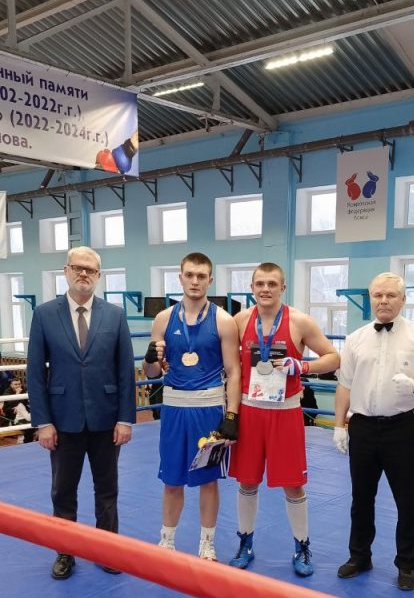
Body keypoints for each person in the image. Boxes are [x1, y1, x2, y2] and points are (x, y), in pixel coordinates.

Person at [27, 246, 136, 580]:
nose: (84, 273)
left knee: (107, 490)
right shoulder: (45, 314)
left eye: (90, 269)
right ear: (66, 270)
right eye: (78, 267)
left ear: (99, 276)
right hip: (62, 420)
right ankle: (65, 551)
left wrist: (125, 418)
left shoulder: (115, 315)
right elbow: (35, 372)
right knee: (63, 491)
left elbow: (125, 370)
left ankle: (107, 549)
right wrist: (43, 422)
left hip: (107, 419)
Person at [334, 272, 414, 591]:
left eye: (391, 295)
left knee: (408, 500)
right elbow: (345, 384)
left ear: (403, 299)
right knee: (361, 498)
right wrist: (339, 425)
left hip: (402, 428)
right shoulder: (356, 338)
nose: (383, 300)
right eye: (378, 295)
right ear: (371, 298)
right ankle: (359, 556)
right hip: (363, 427)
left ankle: (407, 564)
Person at [228, 262, 340, 577]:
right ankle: (245, 542)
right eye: (260, 283)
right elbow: (227, 363)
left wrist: (302, 366)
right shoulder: (239, 321)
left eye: (272, 284)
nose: (265, 289)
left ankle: (302, 545)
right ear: (252, 287)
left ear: (282, 287)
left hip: (286, 412)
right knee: (247, 481)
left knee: (293, 485)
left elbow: (334, 357)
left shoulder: (299, 321)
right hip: (249, 410)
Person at [143, 252, 240, 561]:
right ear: (180, 277)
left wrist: (232, 415)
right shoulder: (163, 319)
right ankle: (167, 541)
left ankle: (207, 544)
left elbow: (234, 371)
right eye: (190, 275)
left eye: (201, 276)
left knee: (207, 480)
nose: (195, 281)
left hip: (208, 408)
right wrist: (149, 358)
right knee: (171, 479)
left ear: (210, 280)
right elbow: (152, 373)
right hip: (174, 408)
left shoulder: (223, 320)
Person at [1, 377, 34, 442]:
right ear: (11, 385)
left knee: (32, 425)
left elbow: (26, 401)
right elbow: (11, 403)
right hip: (10, 410)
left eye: (19, 384)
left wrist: (19, 406)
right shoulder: (7, 392)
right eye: (15, 384)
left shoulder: (24, 389)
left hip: (21, 410)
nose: (18, 386)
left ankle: (27, 439)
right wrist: (17, 394)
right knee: (28, 427)